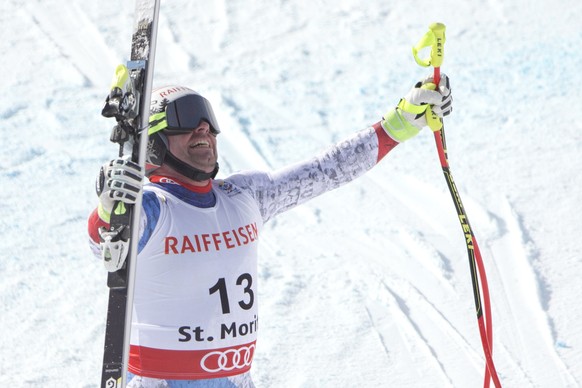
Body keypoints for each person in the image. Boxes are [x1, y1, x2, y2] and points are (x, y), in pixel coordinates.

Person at [88, 75, 452, 387]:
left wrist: (402, 121)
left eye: (207, 118)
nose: (203, 127)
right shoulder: (153, 206)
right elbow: (106, 242)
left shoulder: (243, 196)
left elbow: (326, 170)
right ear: (154, 141)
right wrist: (109, 209)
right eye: (185, 118)